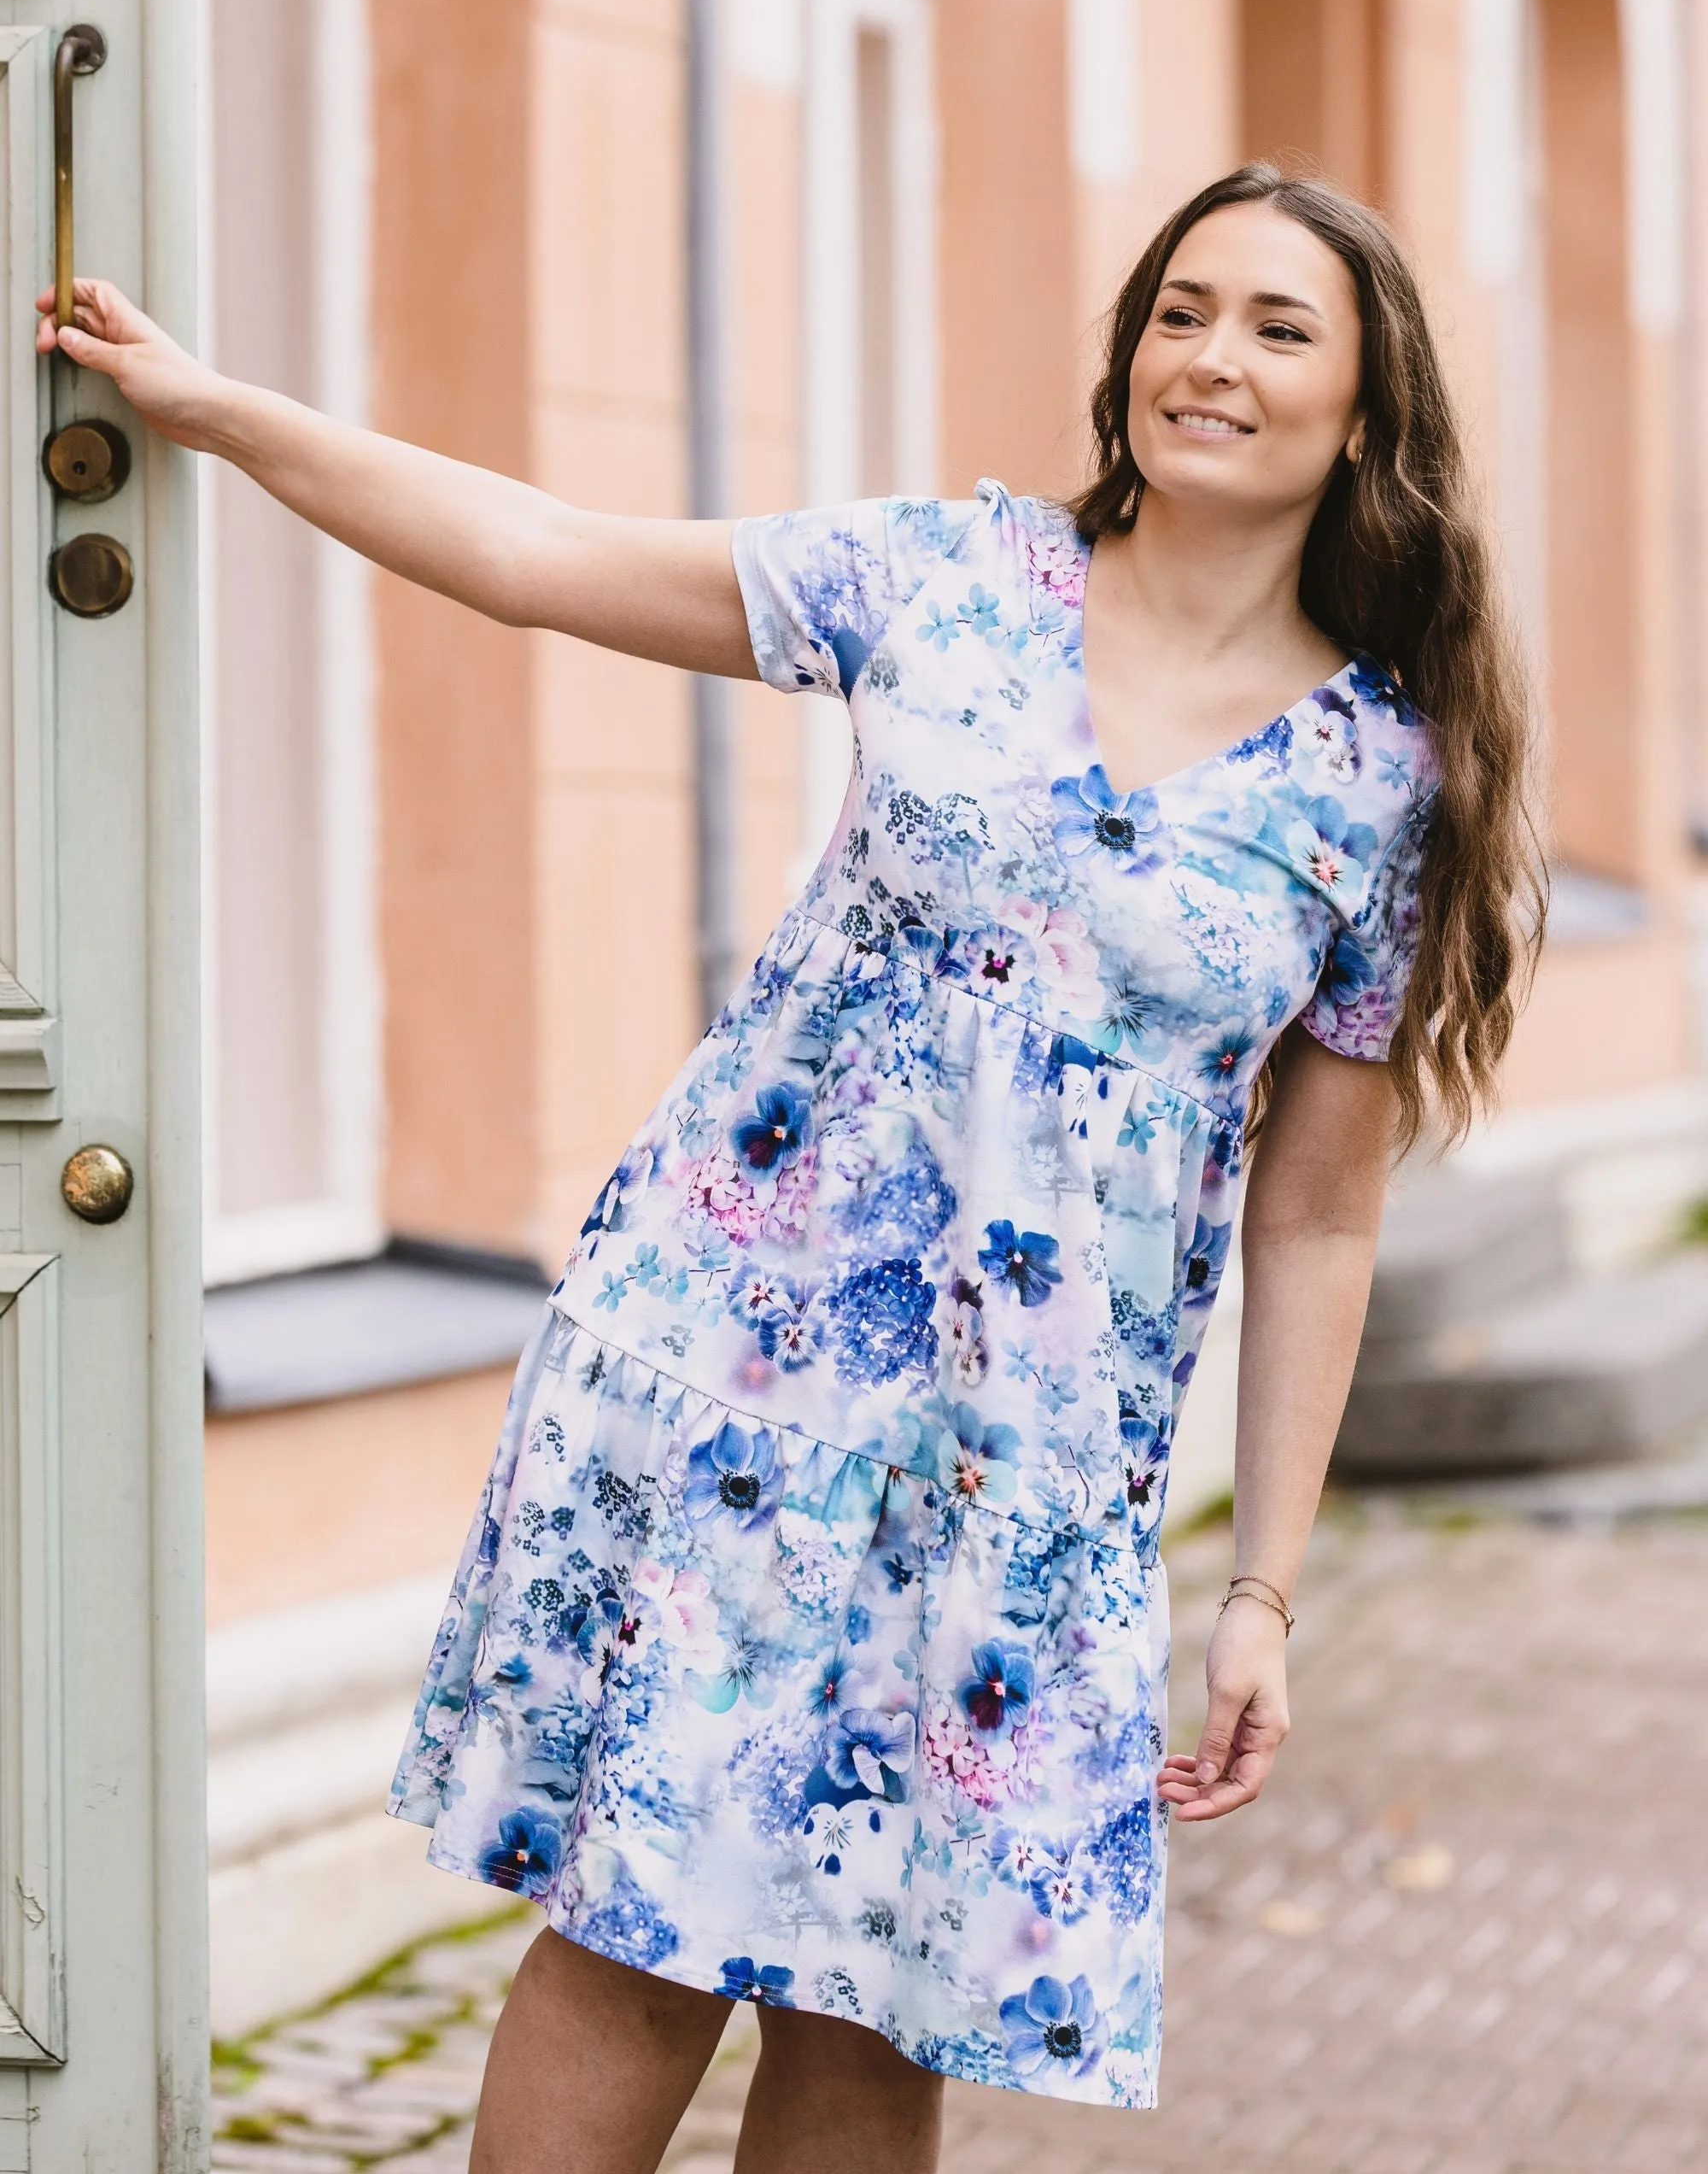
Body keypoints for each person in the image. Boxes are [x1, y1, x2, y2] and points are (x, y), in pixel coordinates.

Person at [43, 163, 1541, 2172]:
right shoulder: (943, 581)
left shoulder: (1382, 786)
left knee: (872, 2009)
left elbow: (1319, 1209)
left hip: (1019, 1471)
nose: (1213, 357)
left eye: (1280, 328)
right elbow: (535, 551)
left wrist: (1260, 1582)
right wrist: (220, 409)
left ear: (1364, 414)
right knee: (639, 1939)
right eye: (1182, 310)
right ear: (1127, 359)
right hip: (736, 1371)